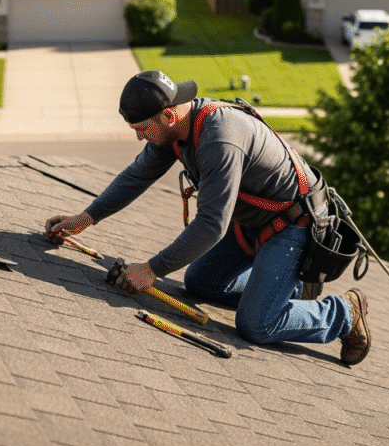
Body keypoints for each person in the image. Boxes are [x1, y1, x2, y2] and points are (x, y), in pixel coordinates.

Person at [45, 70, 371, 365]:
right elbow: (135, 177)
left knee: (256, 324)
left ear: (169, 115)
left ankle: (343, 313)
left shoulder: (219, 137)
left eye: (142, 129)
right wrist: (84, 218)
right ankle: (289, 290)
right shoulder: (173, 132)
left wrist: (151, 269)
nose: (139, 137)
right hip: (252, 221)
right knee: (200, 282)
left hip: (293, 225)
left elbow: (212, 225)